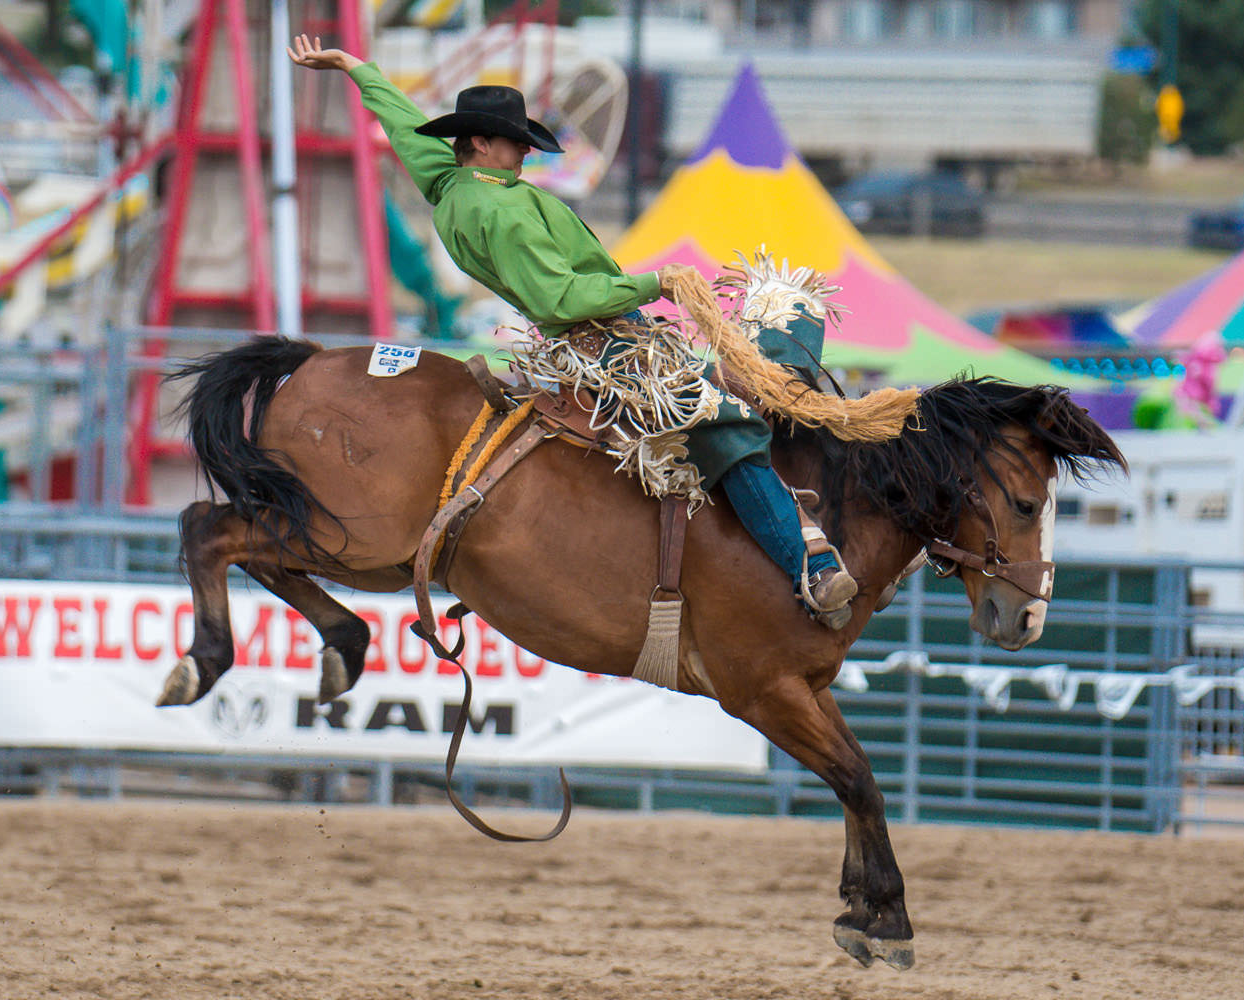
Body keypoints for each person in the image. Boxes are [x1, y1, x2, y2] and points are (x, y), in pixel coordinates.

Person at [286, 36, 858, 625]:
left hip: (609, 334)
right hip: (605, 343)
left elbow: (407, 128)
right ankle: (809, 570)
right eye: (516, 143)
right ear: (481, 143)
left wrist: (358, 70)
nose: (525, 155)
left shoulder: (451, 184)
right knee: (727, 426)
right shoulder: (498, 212)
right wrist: (654, 282)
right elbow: (560, 298)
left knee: (763, 369)